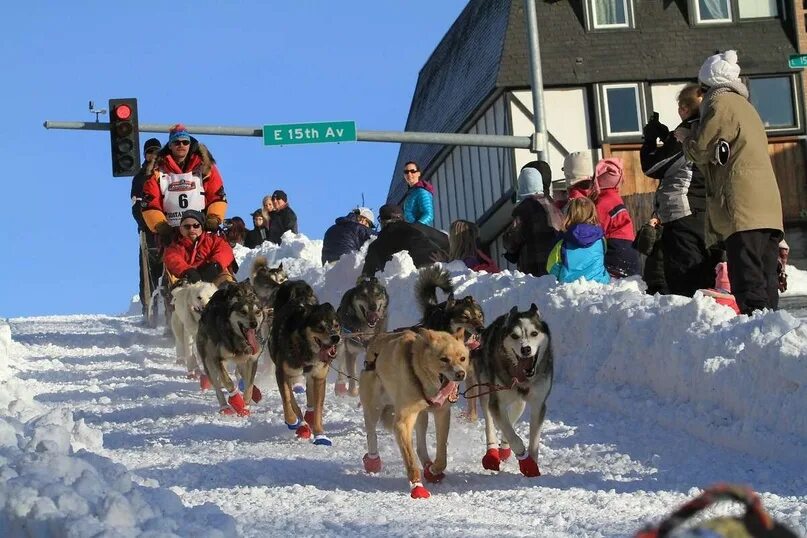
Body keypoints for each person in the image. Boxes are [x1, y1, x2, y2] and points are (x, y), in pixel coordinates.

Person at [677, 50, 784, 314]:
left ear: (708, 83)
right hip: (767, 205)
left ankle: (754, 324)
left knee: (747, 275)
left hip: (743, 204)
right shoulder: (746, 106)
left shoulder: (720, 102)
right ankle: (769, 326)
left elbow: (702, 148)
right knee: (765, 272)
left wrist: (685, 138)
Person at [641, 84, 712, 296]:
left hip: (683, 209)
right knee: (702, 267)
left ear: (683, 108)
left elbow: (654, 167)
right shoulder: (708, 128)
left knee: (684, 274)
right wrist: (666, 136)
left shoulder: (688, 129)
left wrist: (649, 141)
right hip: (704, 206)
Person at [141, 124, 228, 246]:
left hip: (201, 230)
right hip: (172, 234)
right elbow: (150, 203)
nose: (181, 145)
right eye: (176, 142)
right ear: (170, 145)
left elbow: (217, 195)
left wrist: (213, 219)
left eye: (185, 142)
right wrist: (161, 226)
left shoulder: (205, 168)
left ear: (189, 144)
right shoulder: (157, 171)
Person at [502, 160, 563, 276]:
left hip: (533, 269)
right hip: (554, 268)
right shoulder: (555, 207)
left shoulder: (522, 209)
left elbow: (512, 241)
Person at [361, 204, 449, 276]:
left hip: (407, 285)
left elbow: (367, 276)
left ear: (382, 222)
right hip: (440, 271)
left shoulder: (377, 245)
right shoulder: (418, 227)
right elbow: (446, 239)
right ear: (402, 217)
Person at [131, 137, 163, 322]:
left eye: (156, 152)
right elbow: (135, 204)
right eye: (150, 152)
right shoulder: (140, 177)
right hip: (148, 230)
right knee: (148, 271)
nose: (154, 155)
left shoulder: (167, 173)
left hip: (168, 227)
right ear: (145, 155)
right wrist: (143, 222)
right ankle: (148, 308)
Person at [163, 210, 235, 287]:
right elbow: (172, 259)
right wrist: (186, 271)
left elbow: (225, 251)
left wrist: (216, 266)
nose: (191, 229)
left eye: (196, 225)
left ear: (201, 228)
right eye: (187, 226)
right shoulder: (175, 246)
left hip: (213, 278)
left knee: (226, 278)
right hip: (187, 282)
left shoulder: (213, 240)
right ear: (180, 229)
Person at [546, 197, 610, 284]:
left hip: (570, 286)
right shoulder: (601, 240)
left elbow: (551, 267)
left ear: (569, 214)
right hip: (598, 284)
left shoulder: (562, 242)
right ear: (593, 214)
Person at [401, 161, 434, 226]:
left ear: (419, 173)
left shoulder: (422, 192)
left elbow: (428, 214)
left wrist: (417, 226)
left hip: (420, 233)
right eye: (406, 172)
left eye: (412, 171)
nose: (409, 174)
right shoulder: (410, 194)